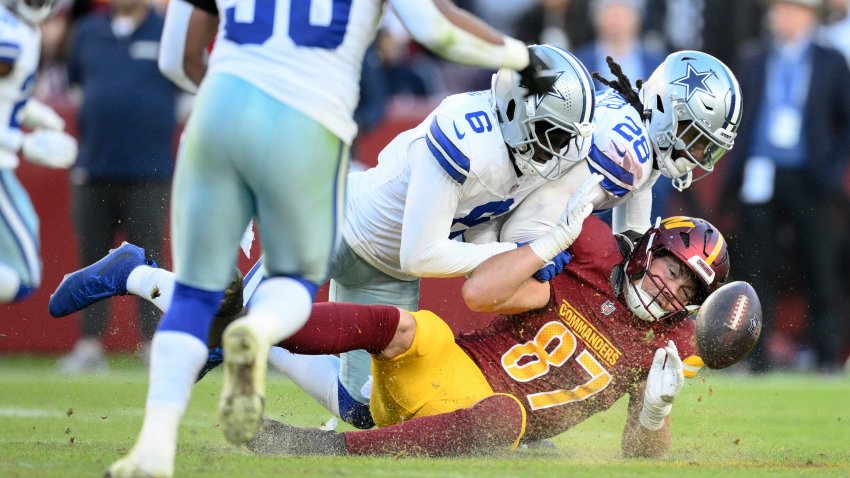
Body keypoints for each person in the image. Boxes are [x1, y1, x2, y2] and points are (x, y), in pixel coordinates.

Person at [59, 0, 585, 475]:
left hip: (368, 248)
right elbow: (423, 250)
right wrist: (519, 252)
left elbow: (181, 59)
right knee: (232, 312)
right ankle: (143, 279)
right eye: (555, 136)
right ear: (517, 110)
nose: (559, 153)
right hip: (343, 220)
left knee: (363, 408)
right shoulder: (465, 132)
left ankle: (170, 322)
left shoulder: (535, 159)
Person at [724, 0, 850, 374]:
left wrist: (830, 170)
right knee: (757, 266)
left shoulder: (830, 60)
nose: (786, 16)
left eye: (794, 9)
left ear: (810, 16)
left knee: (819, 264)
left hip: (808, 177)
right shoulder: (754, 58)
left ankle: (827, 354)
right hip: (759, 173)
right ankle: (756, 356)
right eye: (780, 8)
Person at [56, 0, 179, 375]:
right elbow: (75, 85)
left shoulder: (167, 30)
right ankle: (90, 345)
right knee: (91, 258)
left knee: (150, 258)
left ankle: (152, 344)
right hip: (93, 167)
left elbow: (186, 88)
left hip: (149, 169)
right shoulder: (88, 31)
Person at [0, 0, 77, 305]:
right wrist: (21, 142)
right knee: (25, 274)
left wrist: (29, 111)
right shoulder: (11, 37)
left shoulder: (24, 30)